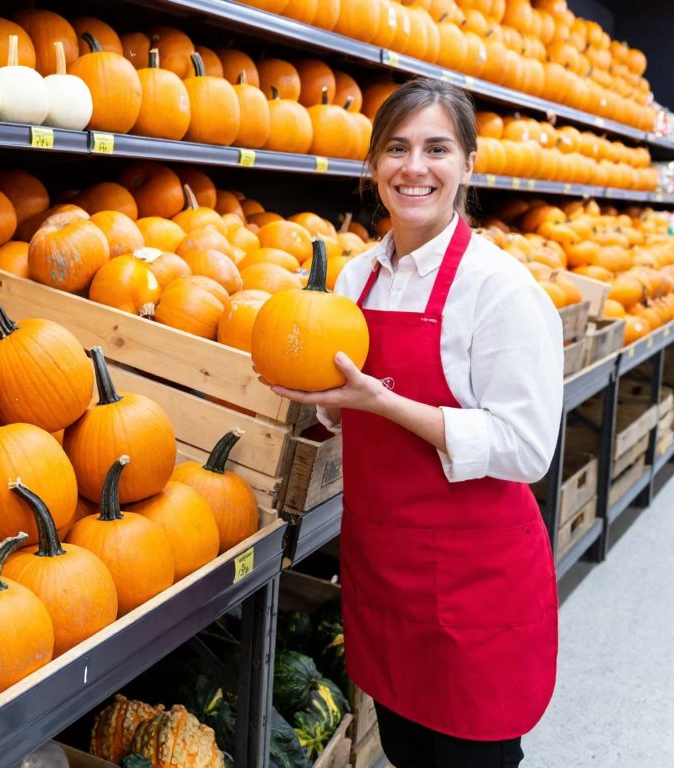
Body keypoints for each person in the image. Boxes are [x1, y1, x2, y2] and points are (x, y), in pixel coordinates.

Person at [265, 78, 563, 767]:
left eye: (437, 148)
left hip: (474, 584)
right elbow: (349, 421)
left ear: (468, 164)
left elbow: (526, 450)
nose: (414, 167)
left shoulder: (500, 290)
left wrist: (384, 403)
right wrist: (314, 404)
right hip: (385, 570)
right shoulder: (353, 283)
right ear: (374, 166)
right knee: (403, 749)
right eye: (396, 148)